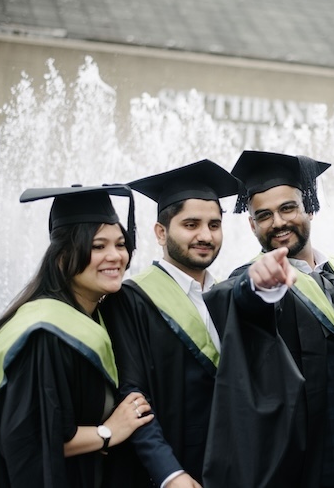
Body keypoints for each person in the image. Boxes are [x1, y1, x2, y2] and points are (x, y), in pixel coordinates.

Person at [0, 185, 153, 487]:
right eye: (98, 246)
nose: (115, 256)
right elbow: (29, 440)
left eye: (120, 244)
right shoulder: (44, 334)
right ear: (62, 256)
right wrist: (107, 433)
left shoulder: (93, 318)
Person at [203, 150, 334, 488]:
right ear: (252, 224)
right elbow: (243, 303)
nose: (278, 222)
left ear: (309, 207)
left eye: (287, 208)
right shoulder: (253, 279)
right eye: (263, 215)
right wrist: (258, 286)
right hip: (306, 466)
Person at [99, 159, 241, 488]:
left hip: (229, 467)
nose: (205, 235)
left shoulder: (228, 296)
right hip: (168, 472)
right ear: (161, 232)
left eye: (214, 225)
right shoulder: (130, 299)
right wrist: (169, 473)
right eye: (191, 224)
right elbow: (133, 396)